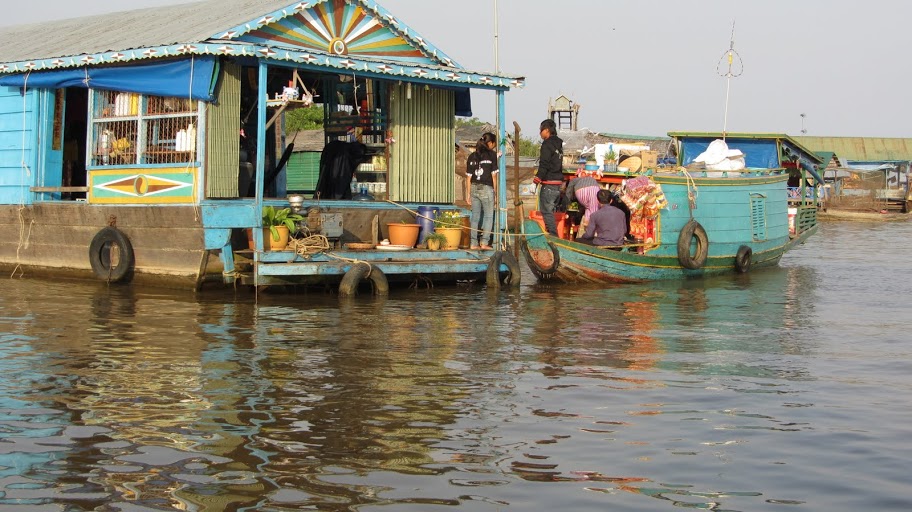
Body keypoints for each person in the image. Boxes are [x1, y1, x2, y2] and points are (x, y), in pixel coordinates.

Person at [465, 133, 498, 249]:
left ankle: (473, 243)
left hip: (474, 187)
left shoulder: (472, 156)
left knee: (475, 217)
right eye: (494, 143)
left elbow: (468, 178)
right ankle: (484, 242)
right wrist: (495, 193)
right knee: (489, 216)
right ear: (490, 143)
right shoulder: (492, 155)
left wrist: (468, 194)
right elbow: (494, 176)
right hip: (486, 188)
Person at [533, 119, 564, 236]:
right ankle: (552, 234)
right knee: (551, 211)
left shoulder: (547, 144)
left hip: (549, 183)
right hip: (557, 184)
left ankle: (553, 236)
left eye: (541, 130)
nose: (540, 133)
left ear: (546, 130)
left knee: (546, 212)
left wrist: (536, 181)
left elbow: (544, 164)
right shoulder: (559, 145)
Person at [564, 168, 602, 233]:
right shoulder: (590, 180)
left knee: (588, 209)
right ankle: (593, 234)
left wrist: (567, 205)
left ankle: (585, 233)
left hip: (579, 192)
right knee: (594, 211)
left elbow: (568, 194)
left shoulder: (574, 180)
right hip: (593, 190)